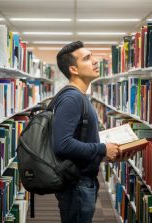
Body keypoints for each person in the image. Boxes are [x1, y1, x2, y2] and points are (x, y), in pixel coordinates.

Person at [52, 41, 120, 223]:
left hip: (81, 182)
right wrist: (102, 149)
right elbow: (62, 144)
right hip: (77, 184)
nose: (95, 61)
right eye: (88, 58)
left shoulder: (80, 96)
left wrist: (103, 153)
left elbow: (78, 138)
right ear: (73, 69)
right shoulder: (72, 99)